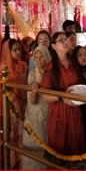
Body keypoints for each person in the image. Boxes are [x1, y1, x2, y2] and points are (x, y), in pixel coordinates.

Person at [40, 32, 85, 155]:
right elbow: (45, 95)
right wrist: (61, 97)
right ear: (54, 46)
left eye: (66, 39)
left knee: (75, 146)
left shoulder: (73, 64)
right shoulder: (51, 67)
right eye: (62, 40)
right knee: (60, 148)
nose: (66, 42)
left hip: (75, 112)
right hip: (59, 113)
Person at [22, 46, 52, 169]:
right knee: (33, 149)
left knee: (47, 148)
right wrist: (34, 91)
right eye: (36, 57)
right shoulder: (32, 74)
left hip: (48, 116)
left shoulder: (51, 74)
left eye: (42, 57)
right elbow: (32, 101)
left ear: (47, 58)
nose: (39, 60)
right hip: (33, 117)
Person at [2, 39, 28, 168]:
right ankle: (13, 161)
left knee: (23, 131)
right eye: (15, 50)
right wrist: (15, 101)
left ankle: (23, 160)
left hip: (24, 103)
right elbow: (4, 90)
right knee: (14, 131)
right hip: (11, 105)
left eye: (19, 49)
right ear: (8, 51)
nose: (18, 52)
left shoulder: (23, 65)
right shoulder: (3, 67)